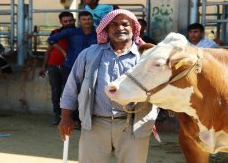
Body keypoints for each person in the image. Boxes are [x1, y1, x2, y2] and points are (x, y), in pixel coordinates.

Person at [58, 9, 159, 163]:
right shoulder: (88, 54)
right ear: (106, 29)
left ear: (134, 29)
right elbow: (72, 87)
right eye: (114, 25)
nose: (120, 28)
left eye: (125, 24)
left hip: (133, 125)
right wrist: (66, 117)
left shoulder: (146, 57)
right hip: (95, 124)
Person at [47, 11, 97, 127]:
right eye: (84, 19)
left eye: (89, 19)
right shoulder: (72, 32)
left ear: (92, 20)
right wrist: (64, 53)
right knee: (71, 92)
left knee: (88, 92)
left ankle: (83, 119)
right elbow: (51, 39)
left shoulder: (98, 33)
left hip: (91, 68)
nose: (87, 22)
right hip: (71, 67)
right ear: (79, 21)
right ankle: (72, 119)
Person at [40, 11, 75, 125]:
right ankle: (57, 115)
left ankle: (71, 117)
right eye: (65, 21)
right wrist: (43, 67)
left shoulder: (78, 33)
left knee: (70, 93)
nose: (68, 23)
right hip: (53, 66)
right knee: (56, 92)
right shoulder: (55, 33)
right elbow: (48, 50)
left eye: (70, 20)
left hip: (70, 67)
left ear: (74, 20)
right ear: (61, 22)